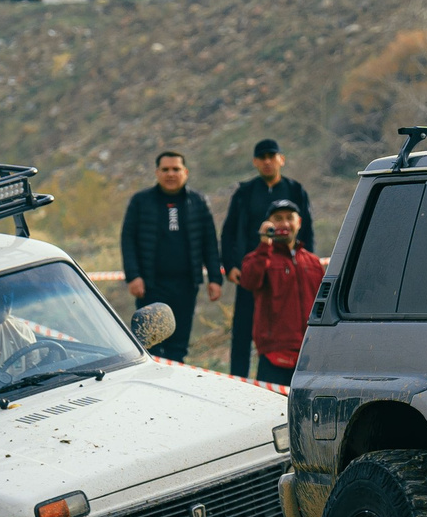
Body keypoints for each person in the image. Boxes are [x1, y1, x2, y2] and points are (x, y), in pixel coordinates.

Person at [219, 138, 315, 378]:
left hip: (285, 273)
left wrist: (302, 260)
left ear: (281, 159)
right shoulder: (244, 192)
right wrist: (230, 265)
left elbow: (308, 230)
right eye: (262, 158)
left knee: (290, 328)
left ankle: (298, 376)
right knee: (242, 331)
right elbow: (229, 231)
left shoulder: (295, 190)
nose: (267, 162)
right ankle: (238, 381)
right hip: (250, 272)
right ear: (255, 162)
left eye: (272, 156)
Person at [120, 150, 221, 362]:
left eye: (176, 169)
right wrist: (133, 276)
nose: (170, 174)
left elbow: (209, 242)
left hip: (186, 285)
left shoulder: (198, 202)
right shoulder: (141, 201)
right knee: (150, 344)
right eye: (165, 169)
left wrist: (214, 278)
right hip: (151, 285)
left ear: (185, 172)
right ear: (157, 172)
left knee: (179, 346)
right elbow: (127, 239)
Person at [238, 199, 325, 385]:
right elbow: (248, 281)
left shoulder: (313, 262)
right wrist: (264, 245)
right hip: (274, 355)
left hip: (310, 355)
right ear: (268, 224)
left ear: (299, 222)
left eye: (289, 218)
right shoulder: (259, 258)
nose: (284, 224)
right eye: (278, 218)